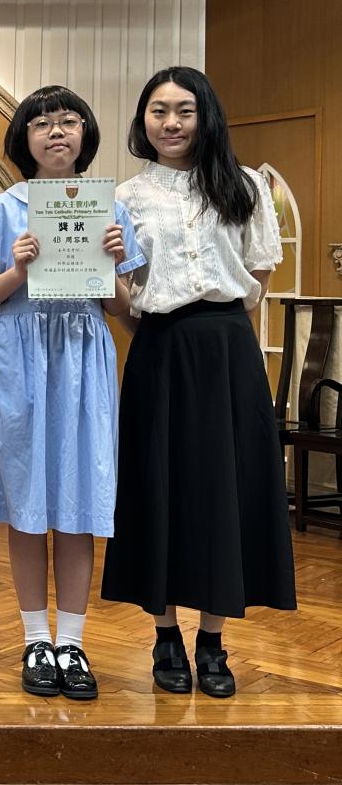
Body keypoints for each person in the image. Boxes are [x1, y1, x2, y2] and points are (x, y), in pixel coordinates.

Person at [101, 65, 296, 698]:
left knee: (224, 489)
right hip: (158, 346)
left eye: (184, 110)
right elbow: (120, 293)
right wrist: (147, 325)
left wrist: (223, 333)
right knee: (157, 484)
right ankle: (165, 635)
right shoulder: (126, 197)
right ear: (143, 120)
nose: (171, 123)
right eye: (158, 111)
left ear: (205, 115)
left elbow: (258, 276)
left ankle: (212, 640)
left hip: (229, 348)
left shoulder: (244, 185)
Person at [0, 86, 144, 700]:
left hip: (83, 354)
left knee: (78, 499)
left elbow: (122, 309)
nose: (56, 132)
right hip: (20, 355)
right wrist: (16, 270)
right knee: (27, 501)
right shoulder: (1, 208)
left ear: (85, 133)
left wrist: (113, 266)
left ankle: (72, 642)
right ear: (25, 138)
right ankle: (35, 639)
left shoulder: (109, 207)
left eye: (68, 121)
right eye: (42, 123)